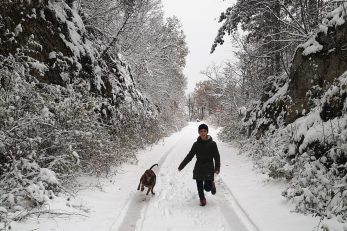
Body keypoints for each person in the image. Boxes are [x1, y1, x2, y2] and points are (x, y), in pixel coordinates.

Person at [178, 124, 220, 206]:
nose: (203, 133)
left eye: (204, 131)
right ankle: (202, 199)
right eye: (201, 131)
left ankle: (211, 184)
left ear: (207, 132)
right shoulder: (196, 144)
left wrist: (217, 168)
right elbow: (190, 156)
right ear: (198, 132)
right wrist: (181, 165)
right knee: (199, 184)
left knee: (207, 188)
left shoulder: (212, 144)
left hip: (209, 166)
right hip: (199, 166)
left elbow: (217, 157)